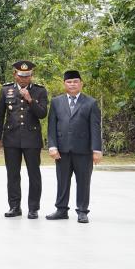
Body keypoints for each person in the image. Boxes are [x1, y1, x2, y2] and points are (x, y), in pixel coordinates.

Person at [0, 60, 49, 219]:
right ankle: (14, 206)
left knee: (34, 174)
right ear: (15, 75)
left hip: (32, 139)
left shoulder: (39, 91)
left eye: (27, 75)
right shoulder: (6, 90)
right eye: (21, 75)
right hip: (11, 138)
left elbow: (42, 114)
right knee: (12, 174)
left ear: (31, 75)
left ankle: (33, 208)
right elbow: (0, 116)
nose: (24, 78)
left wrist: (30, 99)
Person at [46, 70, 102, 224]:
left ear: (81, 83)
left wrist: (97, 150)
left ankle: (82, 211)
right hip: (62, 150)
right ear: (64, 84)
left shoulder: (91, 102)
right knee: (62, 181)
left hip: (83, 150)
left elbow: (95, 128)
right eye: (69, 82)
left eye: (75, 81)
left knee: (83, 182)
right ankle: (61, 210)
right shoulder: (56, 102)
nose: (72, 84)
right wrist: (52, 146)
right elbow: (51, 126)